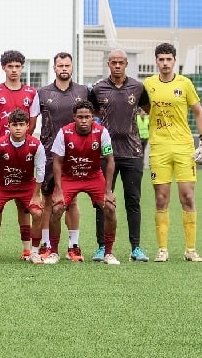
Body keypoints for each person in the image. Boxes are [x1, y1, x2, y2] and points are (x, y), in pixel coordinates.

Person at [142, 43, 202, 262]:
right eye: (161, 59)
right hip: (159, 148)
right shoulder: (149, 84)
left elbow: (198, 112)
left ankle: (191, 250)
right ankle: (162, 249)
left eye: (169, 59)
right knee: (161, 199)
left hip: (183, 147)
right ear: (156, 61)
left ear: (174, 61)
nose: (165, 63)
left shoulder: (185, 83)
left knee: (187, 197)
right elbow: (143, 109)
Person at [89, 49, 151, 262]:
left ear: (126, 64)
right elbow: (94, 111)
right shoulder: (98, 88)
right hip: (106, 154)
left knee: (133, 200)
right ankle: (101, 247)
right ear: (108, 64)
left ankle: (136, 248)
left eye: (121, 62)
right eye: (113, 62)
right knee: (102, 201)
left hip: (132, 152)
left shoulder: (138, 87)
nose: (117, 66)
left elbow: (147, 108)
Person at [0, 50, 39, 260]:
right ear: (3, 68)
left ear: (22, 68)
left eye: (17, 66)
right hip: (1, 154)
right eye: (10, 66)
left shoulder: (31, 93)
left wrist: (21, 142)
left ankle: (26, 250)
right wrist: (0, 141)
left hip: (23, 154)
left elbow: (32, 123)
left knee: (24, 206)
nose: (14, 70)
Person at [36, 52, 90, 263]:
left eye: (67, 65)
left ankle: (73, 246)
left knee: (72, 201)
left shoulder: (83, 91)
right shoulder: (42, 93)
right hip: (49, 153)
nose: (64, 68)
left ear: (72, 68)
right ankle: (47, 244)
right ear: (55, 68)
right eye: (60, 65)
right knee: (48, 200)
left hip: (75, 155)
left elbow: (91, 118)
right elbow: (32, 121)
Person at [51, 100, 118, 265]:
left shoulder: (102, 132)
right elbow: (57, 162)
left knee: (109, 207)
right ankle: (53, 252)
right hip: (69, 177)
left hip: (93, 176)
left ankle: (108, 253)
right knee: (57, 207)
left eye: (87, 117)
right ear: (74, 117)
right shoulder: (64, 133)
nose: (83, 120)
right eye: (80, 116)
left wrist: (108, 190)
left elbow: (110, 161)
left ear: (93, 117)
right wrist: (58, 189)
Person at [0, 109, 45, 264]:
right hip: (2, 186)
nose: (18, 128)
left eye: (21, 125)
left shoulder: (36, 145)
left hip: (26, 186)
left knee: (37, 213)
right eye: (14, 125)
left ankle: (34, 252)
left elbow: (41, 170)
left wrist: (36, 195)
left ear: (27, 126)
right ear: (8, 126)